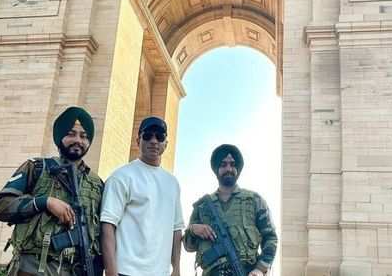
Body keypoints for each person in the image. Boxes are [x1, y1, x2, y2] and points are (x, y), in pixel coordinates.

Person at [0, 106, 104, 276]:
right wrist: (44, 202)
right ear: (59, 137)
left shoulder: (97, 184)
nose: (78, 140)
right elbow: (1, 206)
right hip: (32, 268)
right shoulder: (37, 168)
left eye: (84, 136)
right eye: (71, 134)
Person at [100, 116, 184, 276]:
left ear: (166, 144)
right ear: (138, 140)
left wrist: (177, 269)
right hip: (126, 271)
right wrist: (111, 271)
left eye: (159, 137)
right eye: (148, 136)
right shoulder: (121, 177)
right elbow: (108, 225)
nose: (154, 141)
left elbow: (176, 229)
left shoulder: (172, 183)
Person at [183, 144, 278, 276]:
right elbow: (188, 246)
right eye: (223, 165)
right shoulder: (202, 206)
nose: (229, 169)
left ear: (237, 169)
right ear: (217, 169)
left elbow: (270, 238)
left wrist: (260, 269)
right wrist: (193, 229)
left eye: (233, 164)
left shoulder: (254, 201)